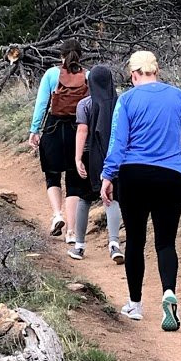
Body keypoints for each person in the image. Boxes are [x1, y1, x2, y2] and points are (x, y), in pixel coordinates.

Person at [100, 51, 181, 331]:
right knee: (166, 242)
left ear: (133, 74)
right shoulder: (178, 96)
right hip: (171, 175)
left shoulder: (127, 100)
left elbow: (117, 143)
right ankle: (168, 292)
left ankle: (135, 304)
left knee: (135, 240)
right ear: (156, 71)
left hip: (134, 175)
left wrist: (108, 175)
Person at [28, 39, 89, 240]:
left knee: (52, 176)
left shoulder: (51, 74)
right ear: (80, 55)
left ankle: (57, 215)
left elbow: (41, 104)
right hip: (77, 131)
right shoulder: (87, 76)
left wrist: (34, 130)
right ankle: (71, 231)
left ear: (61, 55)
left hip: (53, 128)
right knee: (74, 180)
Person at [69, 65, 124, 264]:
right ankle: (114, 244)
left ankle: (79, 246)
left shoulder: (84, 104)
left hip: (89, 156)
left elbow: (82, 131)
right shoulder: (120, 103)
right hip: (114, 157)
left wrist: (77, 159)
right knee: (112, 199)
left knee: (85, 199)